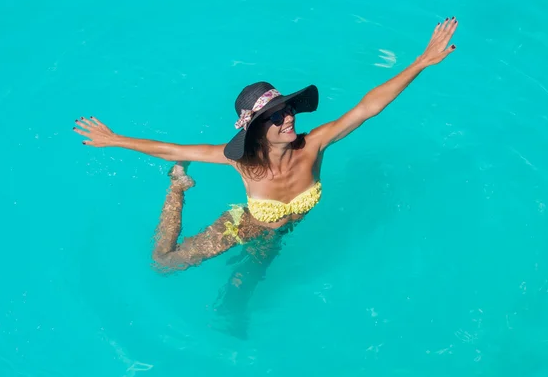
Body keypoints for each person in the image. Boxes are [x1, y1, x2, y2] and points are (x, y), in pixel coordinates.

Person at [73, 18, 458, 277]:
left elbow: (367, 108)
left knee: (249, 282)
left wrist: (422, 62)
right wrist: (115, 140)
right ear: (257, 129)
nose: (288, 117)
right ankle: (176, 189)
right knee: (165, 263)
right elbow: (173, 150)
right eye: (276, 116)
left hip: (284, 228)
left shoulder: (315, 144)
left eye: (288, 108)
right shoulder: (242, 163)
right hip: (249, 224)